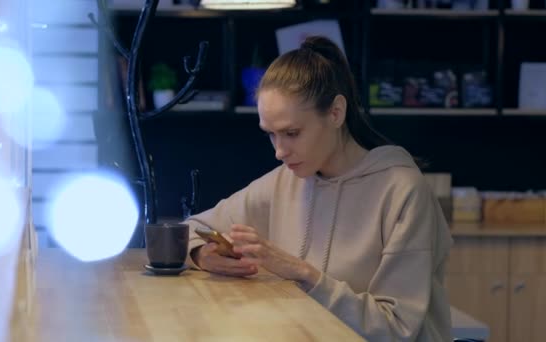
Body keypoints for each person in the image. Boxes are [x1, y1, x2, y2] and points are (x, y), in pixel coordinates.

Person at [184, 36, 453, 341]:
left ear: (336, 112)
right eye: (270, 135)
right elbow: (190, 229)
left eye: (292, 133)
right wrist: (202, 255)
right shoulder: (286, 180)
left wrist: (302, 273)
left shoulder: (403, 191)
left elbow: (396, 329)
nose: (279, 151)